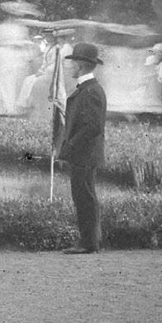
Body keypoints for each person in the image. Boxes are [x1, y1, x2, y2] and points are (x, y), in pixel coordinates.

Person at [55, 42, 107, 254]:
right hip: (83, 153)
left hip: (85, 154)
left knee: (85, 197)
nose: (70, 67)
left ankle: (89, 243)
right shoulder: (87, 89)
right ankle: (89, 241)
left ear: (82, 66)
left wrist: (72, 145)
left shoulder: (91, 91)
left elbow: (93, 126)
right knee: (83, 196)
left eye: (73, 63)